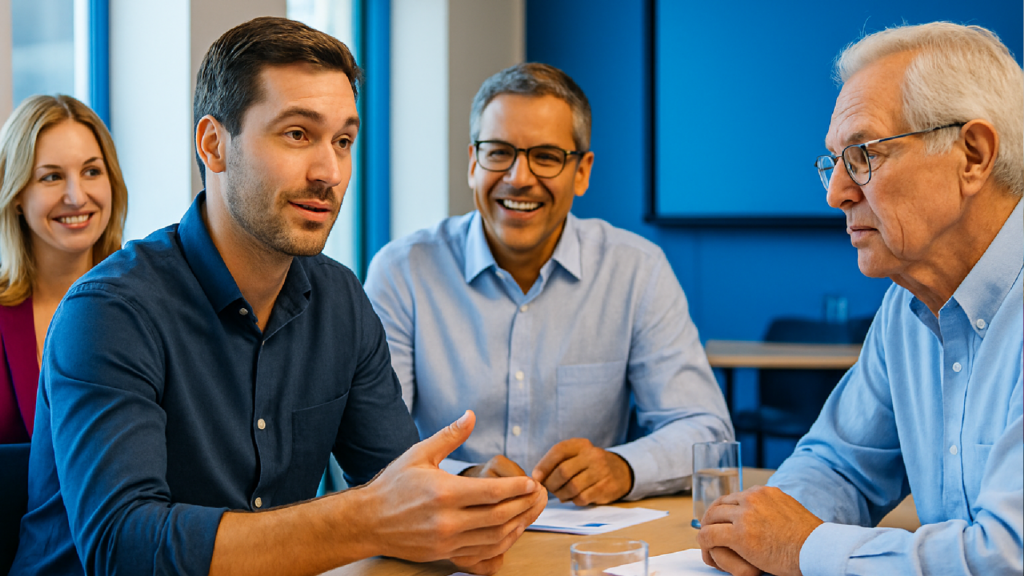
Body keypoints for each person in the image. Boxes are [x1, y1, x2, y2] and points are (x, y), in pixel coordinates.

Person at [11, 17, 544, 576]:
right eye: (297, 134)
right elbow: (125, 547)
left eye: (343, 141)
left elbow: (394, 486)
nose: (330, 172)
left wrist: (465, 501)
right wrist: (365, 518)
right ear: (214, 145)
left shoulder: (339, 299)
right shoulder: (109, 312)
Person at [697, 22, 1023, 576]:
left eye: (864, 155)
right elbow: (841, 464)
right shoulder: (907, 306)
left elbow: (1006, 557)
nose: (836, 193)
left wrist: (801, 548)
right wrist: (758, 527)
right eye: (835, 161)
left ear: (972, 155)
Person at [365, 63, 733, 506]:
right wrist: (463, 478)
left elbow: (705, 431)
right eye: (498, 152)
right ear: (472, 163)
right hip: (443, 535)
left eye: (546, 156)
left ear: (582, 172)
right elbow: (372, 444)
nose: (519, 177)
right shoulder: (403, 271)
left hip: (586, 545)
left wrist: (623, 467)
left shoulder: (636, 270)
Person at [0, 94, 127, 445]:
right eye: (52, 177)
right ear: (15, 194)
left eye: (91, 172)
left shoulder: (154, 303)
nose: (76, 196)